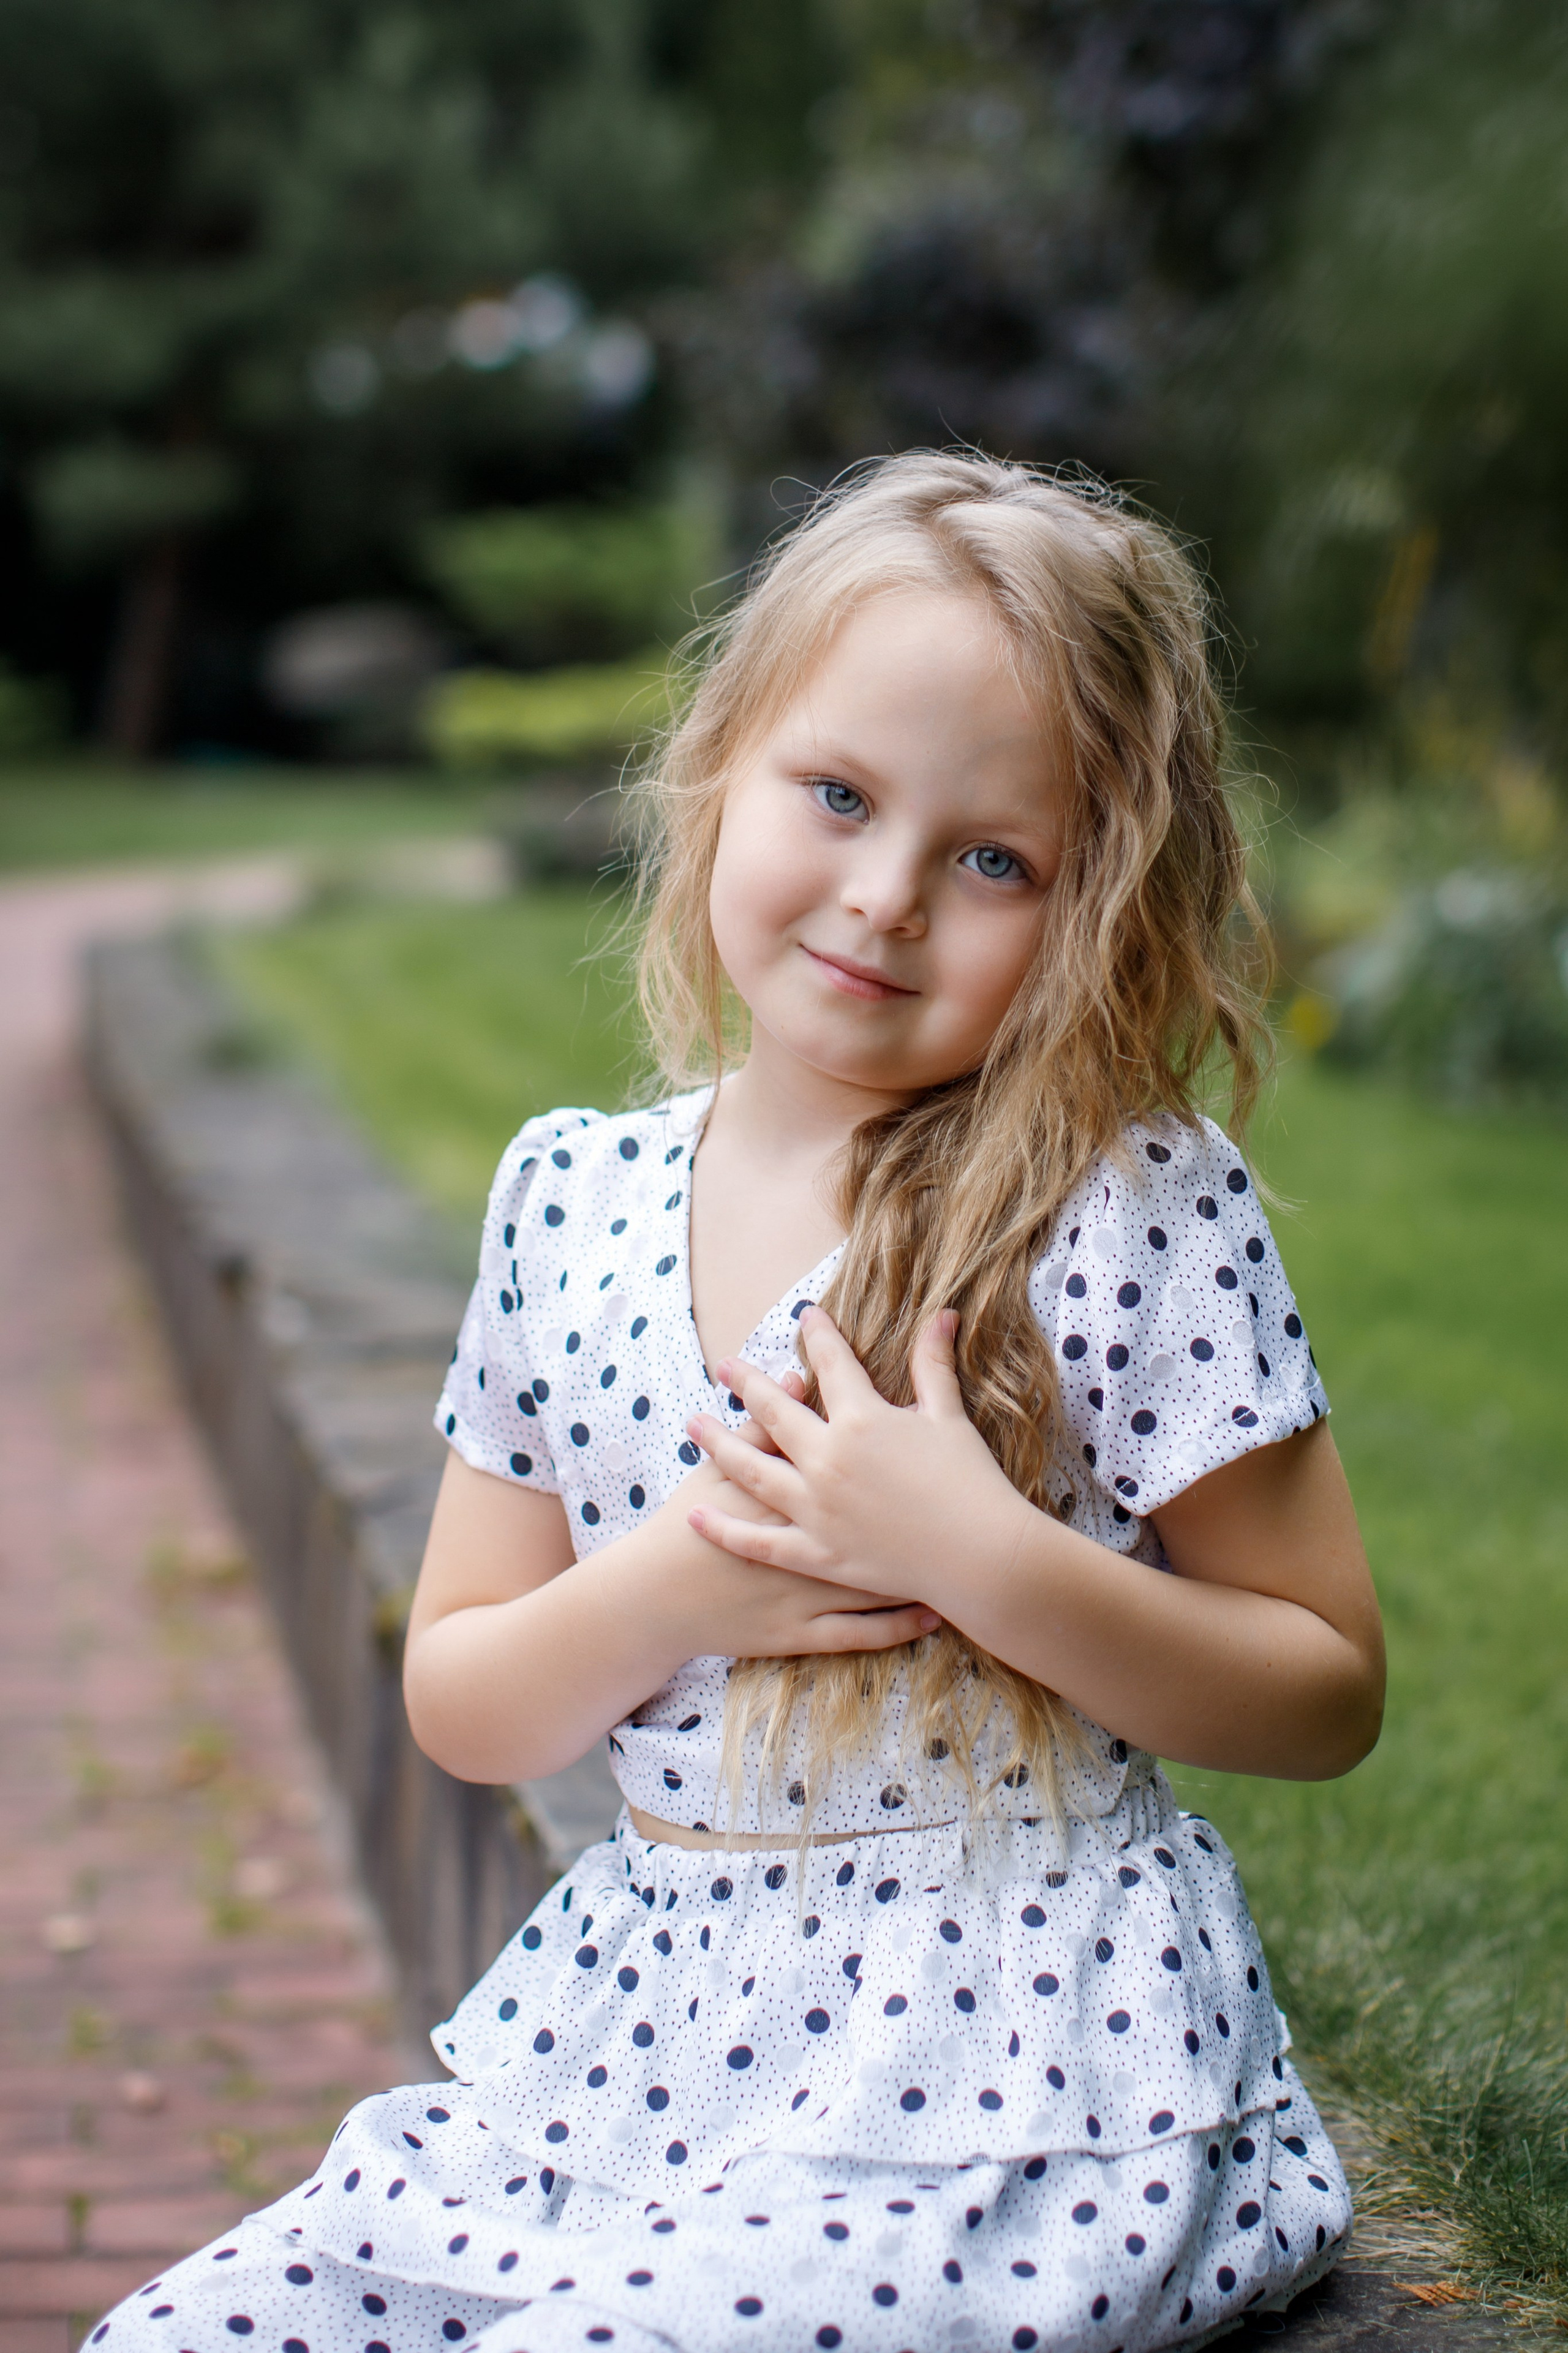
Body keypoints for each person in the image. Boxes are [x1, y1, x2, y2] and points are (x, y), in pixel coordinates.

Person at [96, 454, 1382, 2353]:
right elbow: (465, 1694)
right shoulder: (570, 1200)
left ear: (1096, 903)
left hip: (1015, 2073)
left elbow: (1324, 1685)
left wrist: (976, 1551)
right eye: (841, 796)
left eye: (994, 857)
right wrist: (681, 1587)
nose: (884, 896)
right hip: (637, 2054)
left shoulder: (1120, 1206)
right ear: (721, 768)